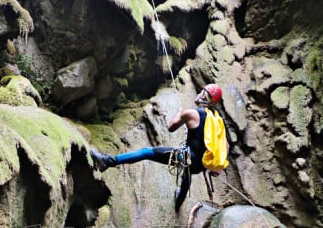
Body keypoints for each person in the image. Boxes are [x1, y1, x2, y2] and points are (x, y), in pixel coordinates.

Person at [90, 83, 223, 211]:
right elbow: (225, 145)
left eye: (202, 91)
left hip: (187, 158)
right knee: (187, 173)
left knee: (147, 152)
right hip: (201, 165)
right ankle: (179, 201)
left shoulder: (191, 114)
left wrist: (179, 114)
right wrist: (217, 168)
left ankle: (107, 161)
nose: (199, 93)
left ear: (203, 96)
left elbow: (171, 127)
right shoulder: (217, 120)